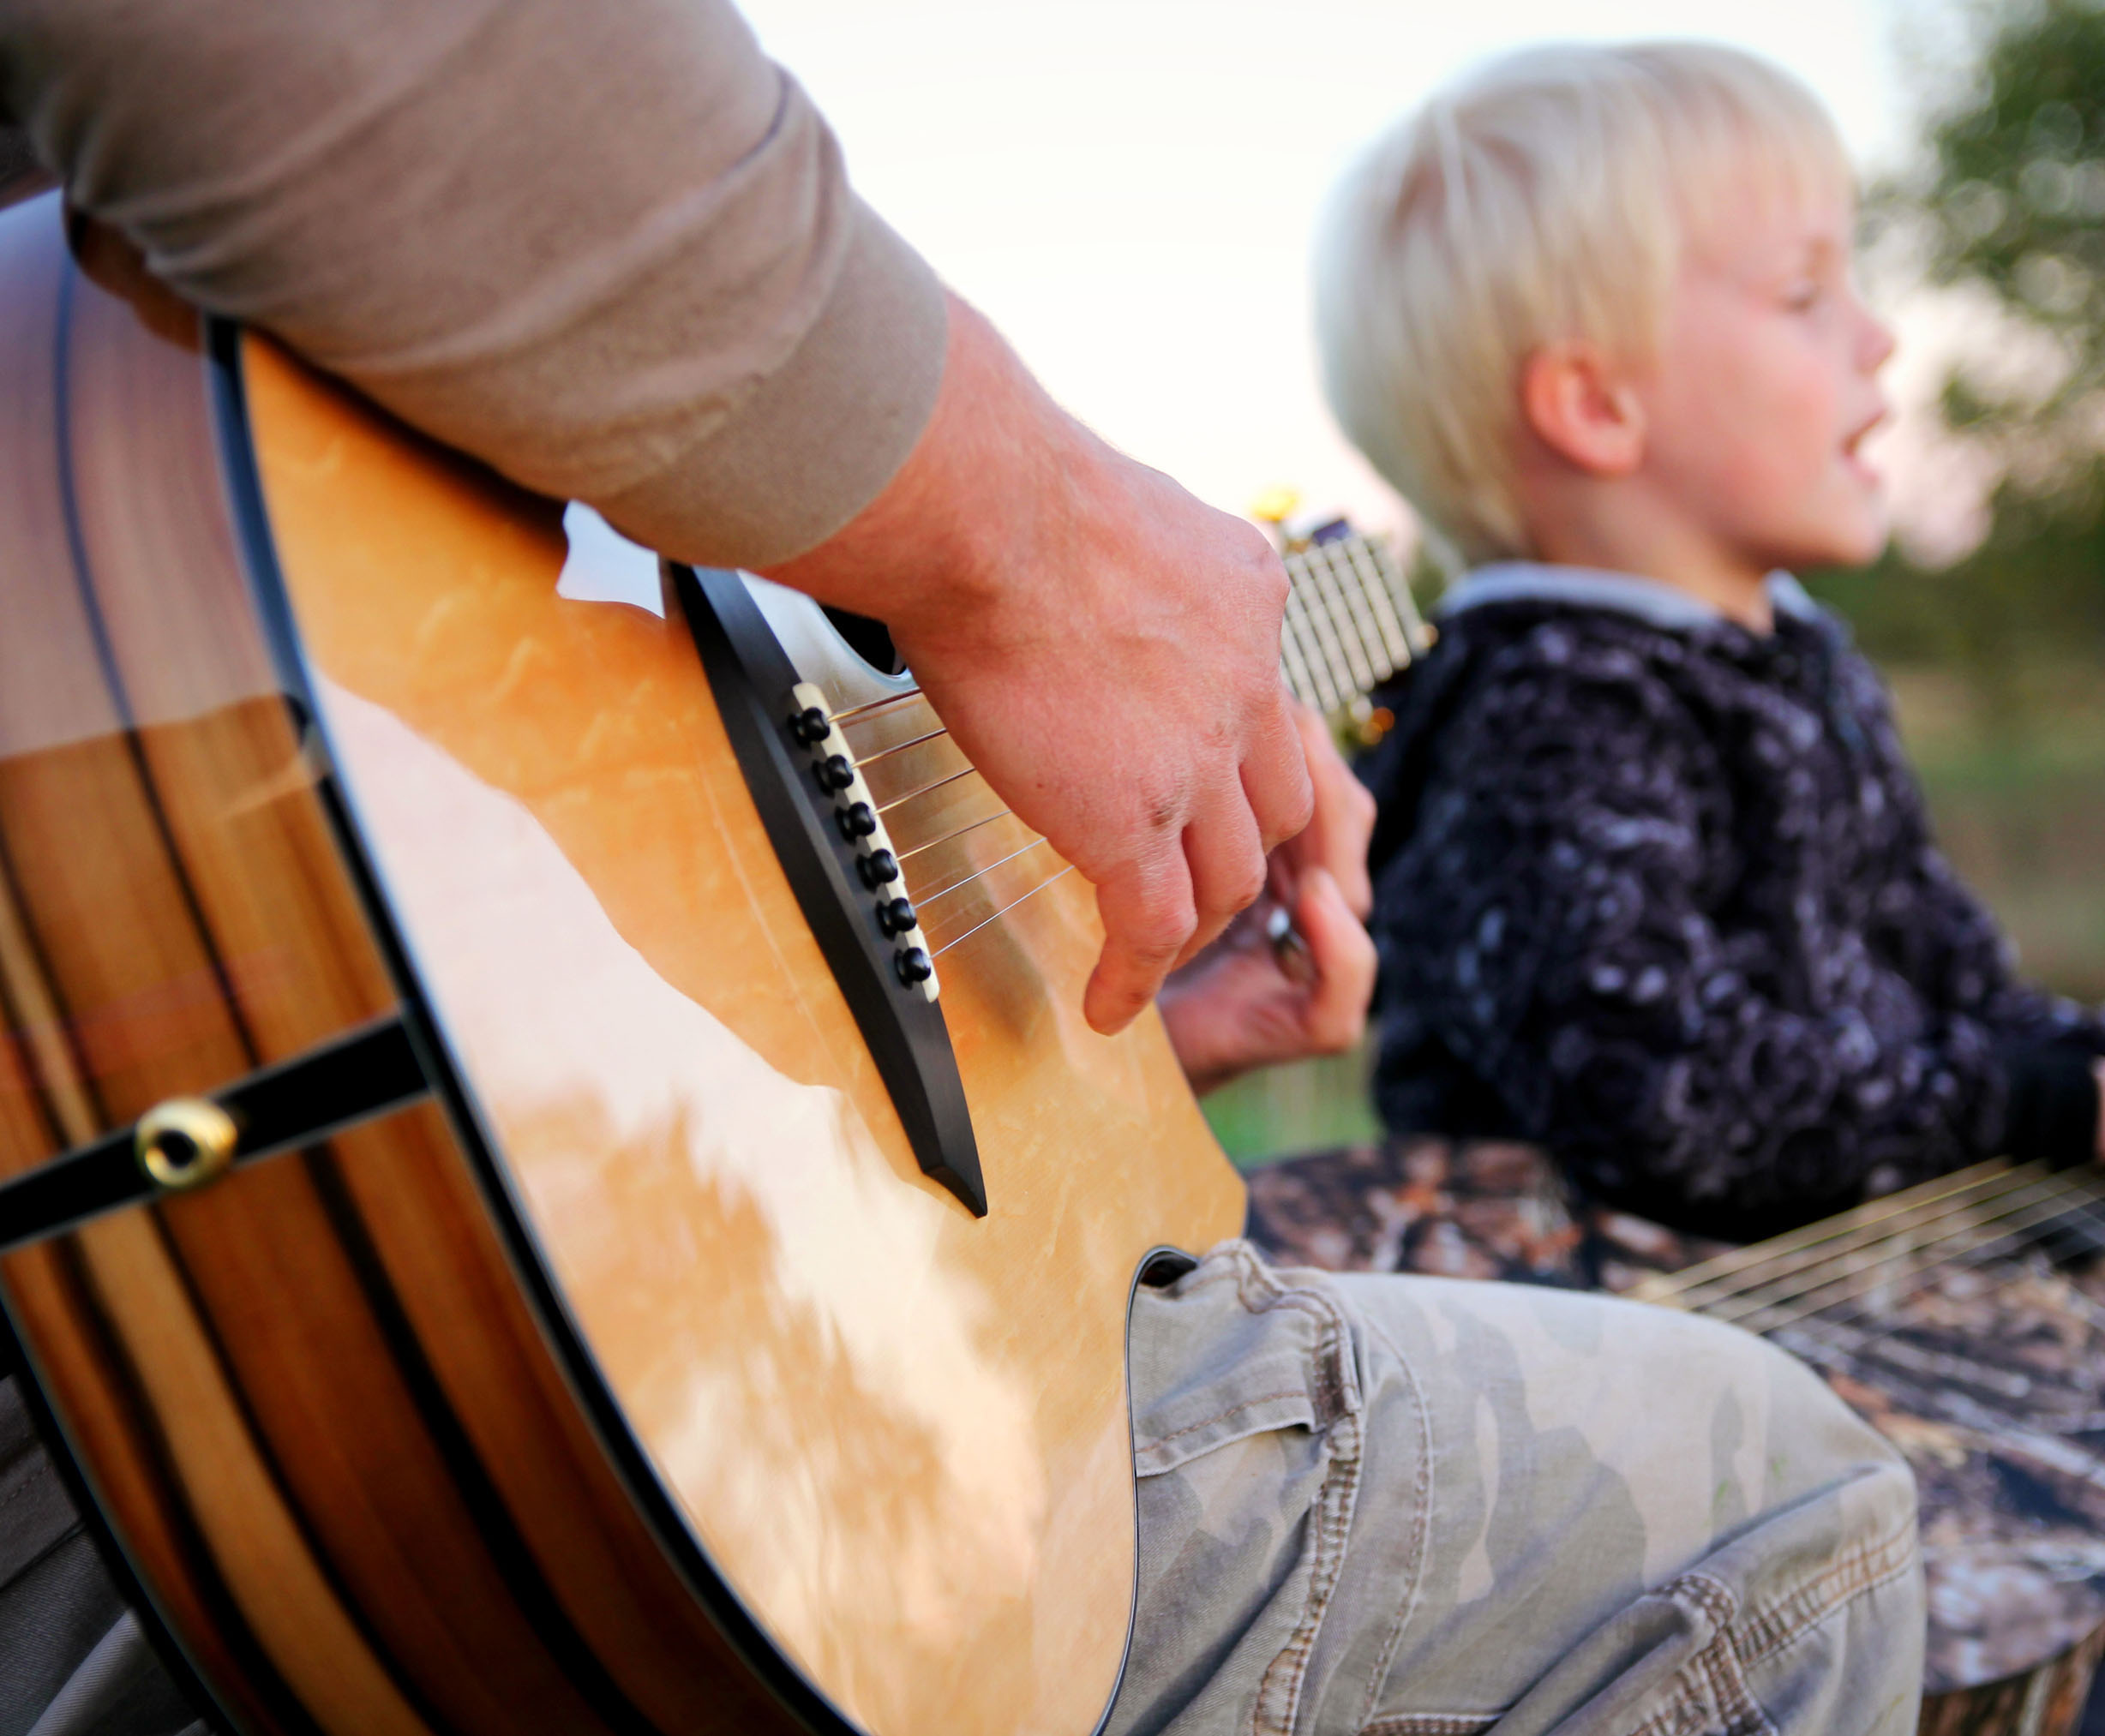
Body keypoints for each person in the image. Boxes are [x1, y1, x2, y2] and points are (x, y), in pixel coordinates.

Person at [2, 9, 1922, 1735]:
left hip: (212, 1407)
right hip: (210, 1447)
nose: (1883, 336)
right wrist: (1028, 532)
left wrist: (1097, 1057)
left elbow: (678, 964)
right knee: (1795, 1498)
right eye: (1811, 289)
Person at [1316, 41, 2105, 1247]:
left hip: (1833, 1279)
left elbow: (1949, 980)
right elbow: (1672, 1098)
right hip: (1622, 1342)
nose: (1880, 338)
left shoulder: (1799, 661)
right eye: (1806, 297)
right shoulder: (1548, 711)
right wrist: (2037, 1101)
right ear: (1596, 404)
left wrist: (2070, 1062)